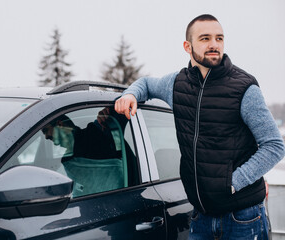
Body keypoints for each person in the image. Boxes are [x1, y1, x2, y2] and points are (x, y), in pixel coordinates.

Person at [115, 14, 285, 239]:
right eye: (205, 38)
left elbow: (274, 146)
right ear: (188, 46)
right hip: (201, 217)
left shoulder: (244, 87)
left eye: (219, 38)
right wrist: (130, 95)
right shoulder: (176, 84)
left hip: (243, 217)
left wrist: (233, 183)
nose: (214, 44)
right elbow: (146, 83)